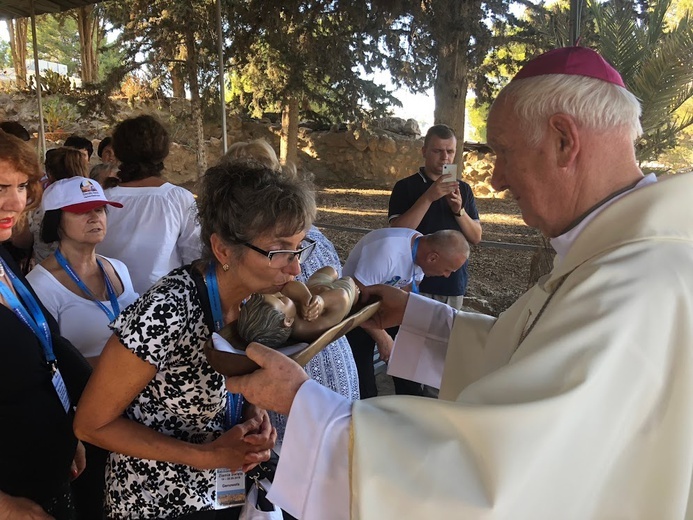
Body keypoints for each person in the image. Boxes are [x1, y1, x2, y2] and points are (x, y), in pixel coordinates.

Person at [225, 46, 693, 519]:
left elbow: (488, 479)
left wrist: (307, 409)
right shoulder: (621, 260)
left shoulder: (633, 285)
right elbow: (530, 357)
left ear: (564, 141)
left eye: (504, 153)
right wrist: (418, 316)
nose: (498, 178)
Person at [73, 161, 317, 520]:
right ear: (222, 250)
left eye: (298, 248)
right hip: (156, 504)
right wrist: (208, 456)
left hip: (222, 494)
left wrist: (254, 414)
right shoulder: (167, 309)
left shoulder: (255, 298)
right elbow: (91, 424)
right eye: (278, 251)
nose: (295, 268)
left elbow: (228, 390)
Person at [220, 140, 361, 449]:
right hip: (287, 387)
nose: (294, 267)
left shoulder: (309, 238)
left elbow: (330, 280)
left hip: (301, 383)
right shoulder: (307, 236)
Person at [0, 130, 90, 520]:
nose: (17, 200)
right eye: (1, 186)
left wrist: (67, 428)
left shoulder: (4, 260)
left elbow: (42, 347)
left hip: (48, 474)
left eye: (22, 186)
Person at [388, 124, 482, 395]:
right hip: (410, 283)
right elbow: (396, 232)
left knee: (443, 355)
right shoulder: (406, 188)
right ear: (424, 152)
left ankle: (436, 406)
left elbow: (476, 237)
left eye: (450, 152)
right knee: (409, 352)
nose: (444, 158)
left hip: (451, 283)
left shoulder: (463, 189)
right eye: (438, 151)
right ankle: (407, 403)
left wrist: (459, 210)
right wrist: (429, 197)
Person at [343, 227, 469, 398]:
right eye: (448, 270)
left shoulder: (421, 249)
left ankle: (410, 402)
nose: (447, 276)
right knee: (364, 382)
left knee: (410, 367)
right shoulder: (387, 252)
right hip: (355, 311)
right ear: (433, 257)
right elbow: (357, 302)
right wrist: (384, 339)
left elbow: (408, 290)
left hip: (384, 307)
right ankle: (365, 410)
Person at [26, 177, 138, 367]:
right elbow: (41, 361)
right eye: (82, 211)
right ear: (56, 221)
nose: (95, 218)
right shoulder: (39, 285)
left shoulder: (119, 268)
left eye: (100, 209)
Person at [96, 115, 201, 294]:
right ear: (163, 151)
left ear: (118, 151)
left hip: (110, 304)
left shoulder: (103, 198)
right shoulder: (178, 198)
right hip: (164, 307)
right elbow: (195, 258)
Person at [237, 267, 358, 346]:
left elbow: (289, 286)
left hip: (315, 287)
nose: (280, 294)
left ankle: (333, 277)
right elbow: (342, 298)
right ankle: (356, 293)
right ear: (287, 321)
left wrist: (305, 297)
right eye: (280, 299)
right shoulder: (311, 326)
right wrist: (321, 302)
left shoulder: (285, 312)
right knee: (349, 282)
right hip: (338, 294)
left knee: (330, 270)